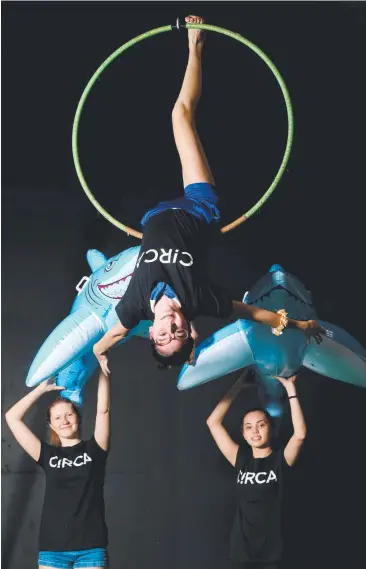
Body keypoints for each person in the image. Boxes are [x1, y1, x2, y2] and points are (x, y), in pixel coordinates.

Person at [93, 15, 324, 373]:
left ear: (151, 334)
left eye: (165, 335)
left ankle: (194, 46)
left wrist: (100, 353)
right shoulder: (201, 300)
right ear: (190, 329)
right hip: (198, 207)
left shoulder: (132, 309)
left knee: (160, 128)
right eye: (180, 333)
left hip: (154, 215)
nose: (171, 326)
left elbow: (105, 341)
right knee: (180, 116)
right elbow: (254, 313)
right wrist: (298, 325)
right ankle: (196, 44)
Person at [5, 371, 110, 569]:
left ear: (78, 418)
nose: (64, 420)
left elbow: (103, 410)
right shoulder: (46, 454)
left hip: (91, 548)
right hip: (52, 550)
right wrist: (40, 390)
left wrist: (104, 370)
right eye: (58, 417)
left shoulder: (96, 449)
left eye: (69, 414)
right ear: (51, 425)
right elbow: (12, 417)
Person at [206, 370, 306, 569]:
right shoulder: (240, 458)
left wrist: (291, 391)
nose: (255, 431)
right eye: (249, 427)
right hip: (242, 551)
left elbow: (300, 434)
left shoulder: (280, 459)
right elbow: (212, 422)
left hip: (274, 553)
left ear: (271, 428)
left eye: (261, 425)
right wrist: (238, 387)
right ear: (243, 433)